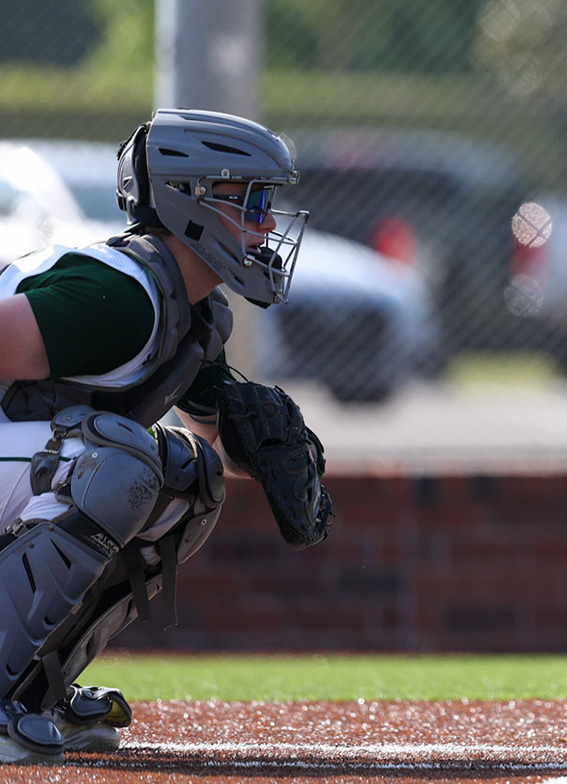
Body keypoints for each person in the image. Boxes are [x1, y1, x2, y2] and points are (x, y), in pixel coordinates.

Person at [0, 109, 333, 765]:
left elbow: (217, 449)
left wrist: (272, 452)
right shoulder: (123, 296)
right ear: (191, 202)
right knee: (117, 462)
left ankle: (35, 688)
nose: (268, 224)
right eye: (253, 202)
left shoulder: (190, 310)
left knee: (190, 479)